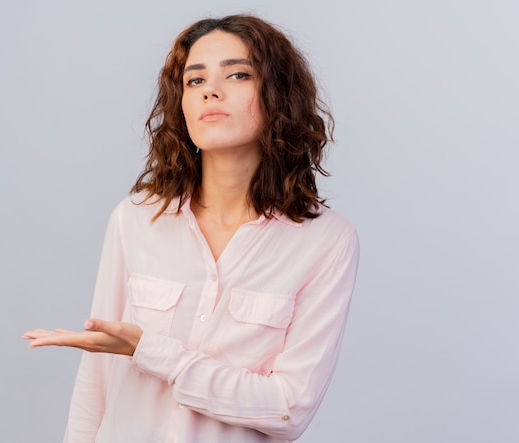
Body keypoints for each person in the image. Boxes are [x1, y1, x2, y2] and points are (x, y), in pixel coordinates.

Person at [24, 14, 359, 443]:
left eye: (238, 74)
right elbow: (96, 384)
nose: (211, 92)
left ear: (279, 96)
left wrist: (151, 351)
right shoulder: (136, 218)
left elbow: (288, 408)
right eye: (194, 81)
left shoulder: (326, 240)